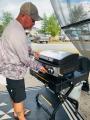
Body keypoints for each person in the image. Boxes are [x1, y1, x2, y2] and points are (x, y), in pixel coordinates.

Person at [0, 2, 47, 120]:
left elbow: (21, 46)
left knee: (14, 95)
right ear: (23, 16)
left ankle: (17, 112)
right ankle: (20, 116)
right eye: (33, 20)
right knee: (19, 98)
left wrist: (32, 52)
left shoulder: (14, 26)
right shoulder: (17, 32)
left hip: (7, 71)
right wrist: (39, 66)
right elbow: (24, 59)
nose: (33, 23)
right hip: (13, 73)